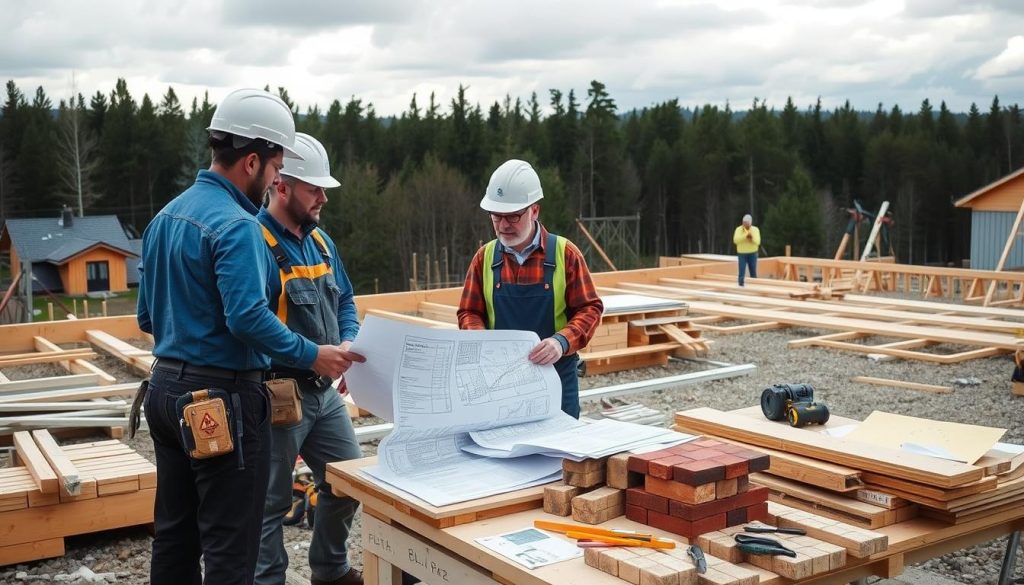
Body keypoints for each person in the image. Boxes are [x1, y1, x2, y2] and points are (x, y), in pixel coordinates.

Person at [136, 89, 357, 585]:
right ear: (252, 160)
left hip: (166, 394)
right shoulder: (237, 227)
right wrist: (312, 354)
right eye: (276, 167)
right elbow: (247, 319)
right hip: (221, 400)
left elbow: (148, 317)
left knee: (175, 535)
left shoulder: (164, 218)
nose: (277, 180)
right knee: (231, 546)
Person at [254, 134, 364, 585]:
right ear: (281, 185)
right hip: (278, 393)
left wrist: (348, 345)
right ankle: (267, 580)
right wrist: (314, 356)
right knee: (270, 503)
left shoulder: (321, 244)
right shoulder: (256, 243)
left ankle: (329, 570)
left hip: (323, 392)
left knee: (348, 482)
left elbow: (347, 301)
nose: (323, 197)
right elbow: (253, 325)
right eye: (313, 189)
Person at [457, 159, 603, 418]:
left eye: (513, 216)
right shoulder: (484, 258)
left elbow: (590, 309)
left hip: (555, 380)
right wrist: (481, 340)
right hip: (499, 384)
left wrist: (561, 342)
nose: (503, 225)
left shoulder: (565, 254)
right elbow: (469, 312)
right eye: (496, 216)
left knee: (557, 456)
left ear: (534, 210)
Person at [733, 213, 761, 286]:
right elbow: (735, 240)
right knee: (741, 271)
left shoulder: (755, 229)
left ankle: (754, 286)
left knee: (753, 271)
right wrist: (745, 236)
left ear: (750, 223)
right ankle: (741, 285)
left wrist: (752, 238)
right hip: (742, 253)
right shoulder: (738, 229)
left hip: (753, 253)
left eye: (747, 223)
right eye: (744, 223)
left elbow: (758, 242)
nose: (745, 224)